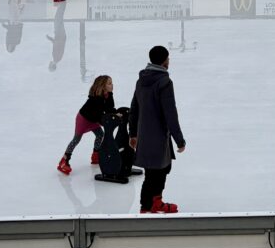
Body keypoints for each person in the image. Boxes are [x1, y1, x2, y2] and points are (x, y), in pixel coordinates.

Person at [128, 45, 186, 214]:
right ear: (164, 61)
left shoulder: (141, 80)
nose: (169, 61)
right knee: (160, 170)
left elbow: (134, 108)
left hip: (145, 135)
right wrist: (179, 139)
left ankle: (147, 205)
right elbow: (170, 113)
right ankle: (154, 203)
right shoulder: (164, 82)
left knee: (152, 172)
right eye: (168, 58)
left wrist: (133, 134)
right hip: (160, 135)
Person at [57, 74, 115, 175]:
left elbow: (109, 108)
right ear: (103, 85)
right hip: (83, 119)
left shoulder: (107, 95)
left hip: (93, 119)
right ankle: (64, 160)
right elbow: (99, 115)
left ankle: (95, 155)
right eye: (109, 83)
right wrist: (106, 122)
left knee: (100, 134)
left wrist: (114, 112)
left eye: (111, 83)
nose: (112, 85)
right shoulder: (96, 99)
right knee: (76, 139)